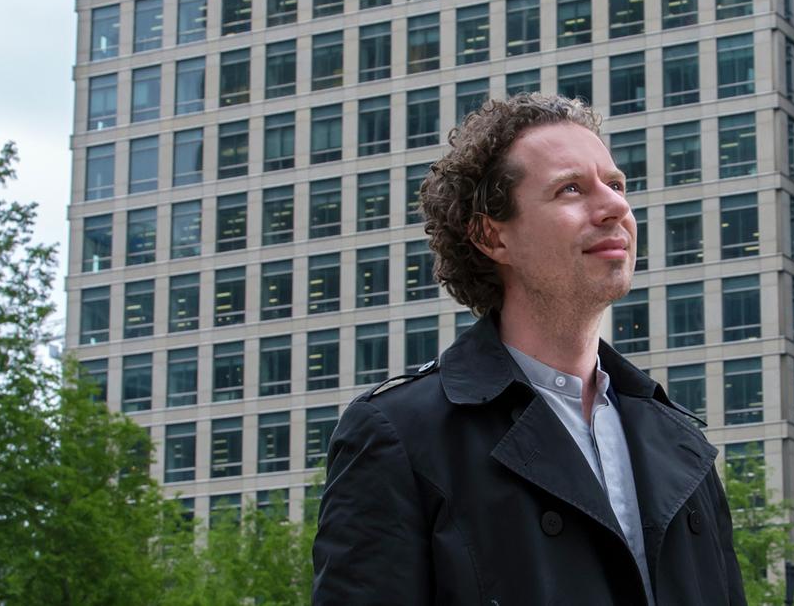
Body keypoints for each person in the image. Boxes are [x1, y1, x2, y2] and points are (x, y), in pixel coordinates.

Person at [312, 94, 747, 605]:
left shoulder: (680, 440)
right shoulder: (400, 436)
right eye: (570, 189)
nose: (616, 207)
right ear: (492, 236)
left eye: (615, 184)